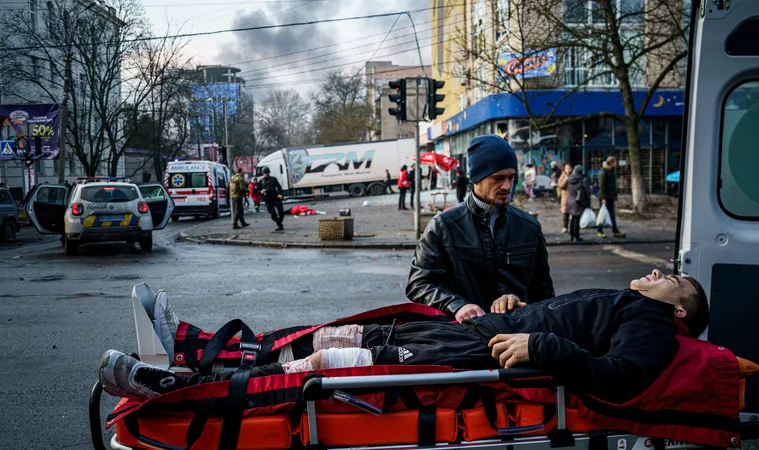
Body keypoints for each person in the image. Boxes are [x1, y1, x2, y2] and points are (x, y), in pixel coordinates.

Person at [99, 269, 710, 405]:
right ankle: (189, 345)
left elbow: (623, 379)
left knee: (335, 360)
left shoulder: (652, 325)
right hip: (473, 331)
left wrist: (540, 346)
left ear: (679, 314)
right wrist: (518, 311)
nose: (659, 274)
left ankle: (186, 385)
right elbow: (566, 324)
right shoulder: (632, 306)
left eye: (672, 279)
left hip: (470, 353)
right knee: (324, 334)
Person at [407, 135, 554, 322]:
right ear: (477, 178)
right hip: (465, 338)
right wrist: (456, 305)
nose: (507, 185)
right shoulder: (443, 226)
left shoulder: (529, 227)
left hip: (517, 338)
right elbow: (418, 284)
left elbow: (544, 294)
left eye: (511, 177)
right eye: (498, 178)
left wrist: (520, 303)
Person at [597, 156, 625, 238]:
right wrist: (603, 198)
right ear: (611, 163)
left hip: (610, 196)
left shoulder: (611, 171)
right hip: (605, 197)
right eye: (615, 162)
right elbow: (602, 186)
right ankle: (599, 230)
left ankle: (615, 230)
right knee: (603, 215)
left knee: (611, 214)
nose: (616, 164)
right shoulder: (604, 172)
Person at [566, 165, 590, 242]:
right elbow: (587, 191)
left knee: (572, 218)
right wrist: (588, 202)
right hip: (578, 200)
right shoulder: (583, 179)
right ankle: (576, 236)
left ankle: (572, 235)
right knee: (577, 218)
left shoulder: (570, 178)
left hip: (570, 200)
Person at [558, 164, 572, 234]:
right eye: (567, 168)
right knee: (565, 213)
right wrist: (566, 179)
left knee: (573, 213)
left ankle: (572, 228)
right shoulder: (563, 176)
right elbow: (560, 186)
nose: (568, 169)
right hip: (565, 197)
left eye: (569, 168)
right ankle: (565, 227)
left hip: (572, 197)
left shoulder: (573, 175)